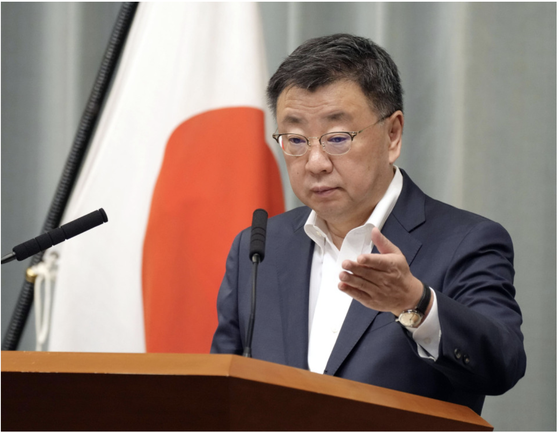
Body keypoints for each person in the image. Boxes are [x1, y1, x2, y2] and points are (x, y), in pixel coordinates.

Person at [211, 33, 526, 414]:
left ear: (392, 134)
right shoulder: (258, 249)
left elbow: (502, 365)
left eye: (337, 138)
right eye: (295, 139)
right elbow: (220, 389)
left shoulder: (466, 241)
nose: (315, 162)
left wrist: (416, 304)